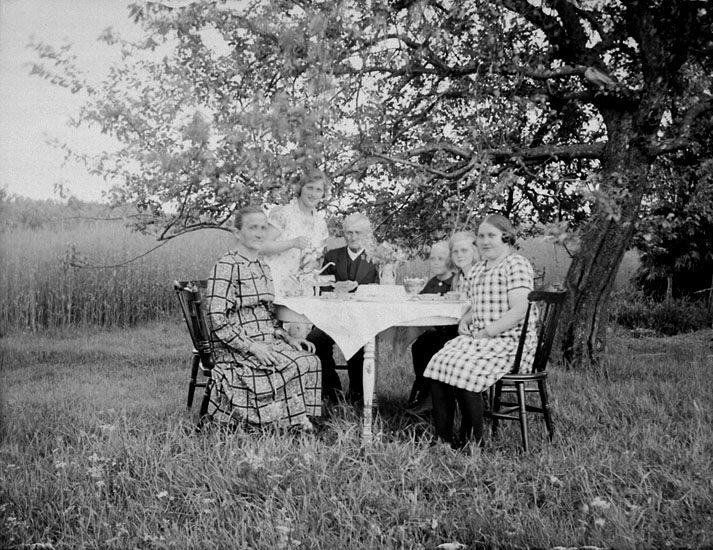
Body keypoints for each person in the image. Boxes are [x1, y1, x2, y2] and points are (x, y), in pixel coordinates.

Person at [424, 215, 537, 449]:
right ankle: (443, 439)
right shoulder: (478, 270)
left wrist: (487, 332)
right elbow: (477, 304)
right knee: (438, 364)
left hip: (510, 342)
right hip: (481, 340)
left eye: (491, 236)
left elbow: (519, 310)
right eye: (482, 236)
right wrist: (466, 320)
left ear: (505, 237)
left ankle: (474, 441)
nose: (485, 241)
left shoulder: (515, 264)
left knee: (465, 369)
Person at [205, 205, 322, 431]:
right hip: (236, 345)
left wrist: (287, 338)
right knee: (295, 363)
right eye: (252, 228)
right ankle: (277, 420)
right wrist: (252, 346)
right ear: (238, 233)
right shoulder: (226, 266)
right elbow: (217, 317)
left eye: (263, 228)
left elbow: (267, 316)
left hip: (266, 338)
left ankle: (295, 419)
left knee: (310, 360)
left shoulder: (262, 266)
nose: (259, 233)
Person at [308, 213, 379, 404]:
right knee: (314, 340)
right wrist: (337, 291)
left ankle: (358, 392)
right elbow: (323, 288)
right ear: (343, 233)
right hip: (333, 316)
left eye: (358, 232)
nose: (353, 237)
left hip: (362, 318)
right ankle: (332, 390)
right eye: (349, 232)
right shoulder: (333, 256)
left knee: (358, 342)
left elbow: (381, 292)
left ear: (367, 234)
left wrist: (359, 291)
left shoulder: (375, 259)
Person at [406, 233, 479, 414]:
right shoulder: (458, 278)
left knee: (432, 345)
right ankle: (426, 391)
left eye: (464, 251)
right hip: (458, 327)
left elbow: (480, 305)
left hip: (472, 331)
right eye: (456, 252)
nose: (460, 256)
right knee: (422, 345)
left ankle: (434, 395)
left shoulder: (478, 276)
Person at [262, 168, 330, 298]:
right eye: (309, 188)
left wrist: (311, 264)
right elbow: (262, 247)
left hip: (303, 292)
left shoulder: (321, 225)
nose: (313, 194)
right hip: (276, 288)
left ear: (323, 194)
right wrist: (292, 243)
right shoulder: (283, 214)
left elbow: (316, 260)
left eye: (318, 190)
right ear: (300, 188)